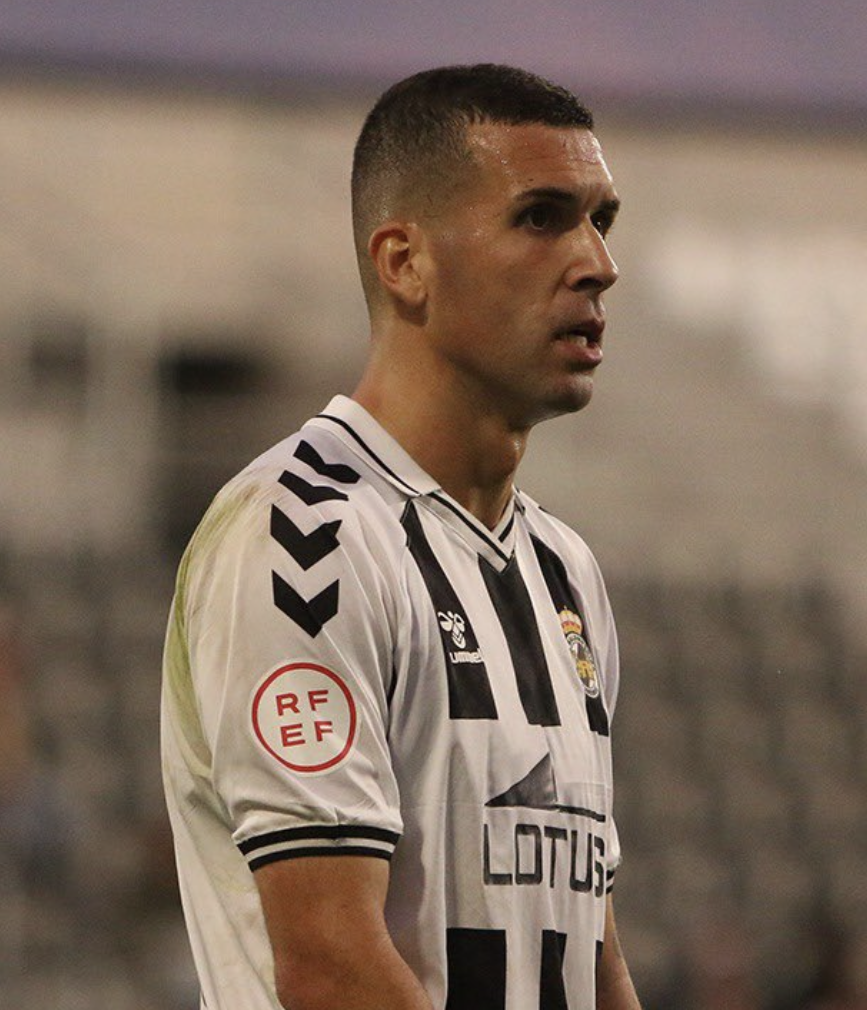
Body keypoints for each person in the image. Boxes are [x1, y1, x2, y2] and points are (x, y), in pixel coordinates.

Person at [160, 63, 640, 1010]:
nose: (596, 261)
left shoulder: (564, 573)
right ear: (403, 261)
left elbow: (590, 951)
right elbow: (330, 962)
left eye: (601, 219)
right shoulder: (303, 536)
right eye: (541, 217)